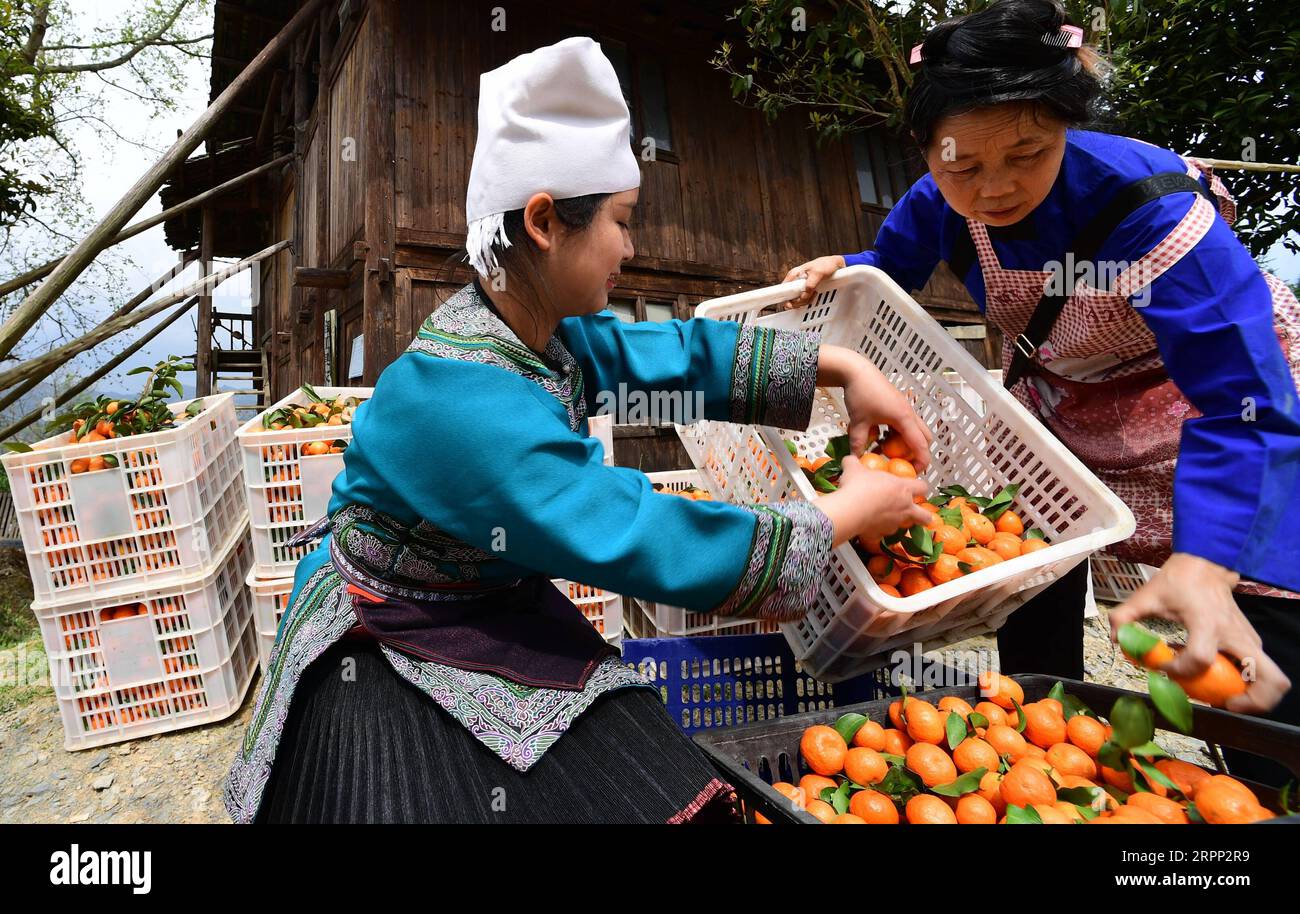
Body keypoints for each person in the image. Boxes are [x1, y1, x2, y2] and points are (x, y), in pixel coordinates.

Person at [223, 36, 934, 824]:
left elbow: (665, 353)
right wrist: (844, 514)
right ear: (543, 222)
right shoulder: (461, 404)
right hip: (399, 630)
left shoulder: (540, 331)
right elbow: (627, 529)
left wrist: (844, 366)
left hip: (488, 594)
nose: (630, 248)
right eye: (622, 223)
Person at [783, 0, 1300, 783]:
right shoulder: (938, 200)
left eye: (1028, 153)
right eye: (961, 165)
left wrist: (1206, 557)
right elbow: (890, 271)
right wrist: (840, 266)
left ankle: (1262, 786)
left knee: (1244, 637)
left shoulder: (1155, 215)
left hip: (1212, 416)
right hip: (1066, 412)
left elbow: (1241, 400)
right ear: (927, 152)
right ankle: (1050, 755)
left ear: (1066, 127)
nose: (994, 188)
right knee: (1037, 567)